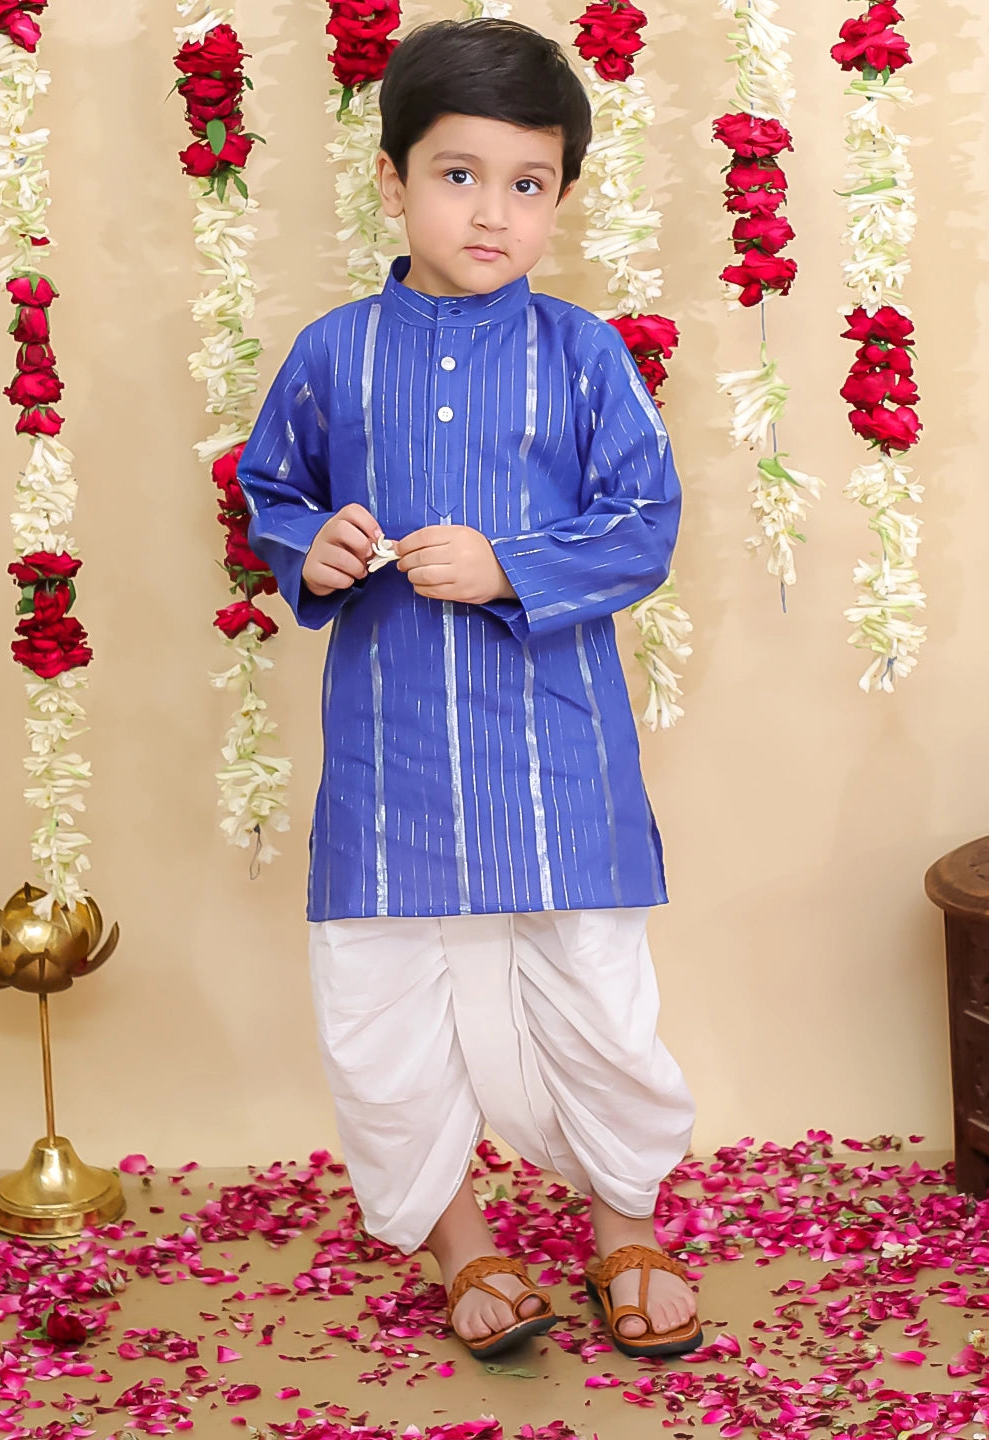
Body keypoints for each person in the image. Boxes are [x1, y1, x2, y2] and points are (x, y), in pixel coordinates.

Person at [238, 17, 701, 1361]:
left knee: (600, 1000)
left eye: (527, 183)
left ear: (560, 196)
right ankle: (462, 1245)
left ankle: (624, 1226)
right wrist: (312, 549)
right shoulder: (334, 353)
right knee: (383, 1012)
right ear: (392, 181)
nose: (493, 212)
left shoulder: (583, 353)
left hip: (556, 753)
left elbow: (647, 523)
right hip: (390, 756)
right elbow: (274, 493)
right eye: (458, 175)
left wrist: (513, 566)